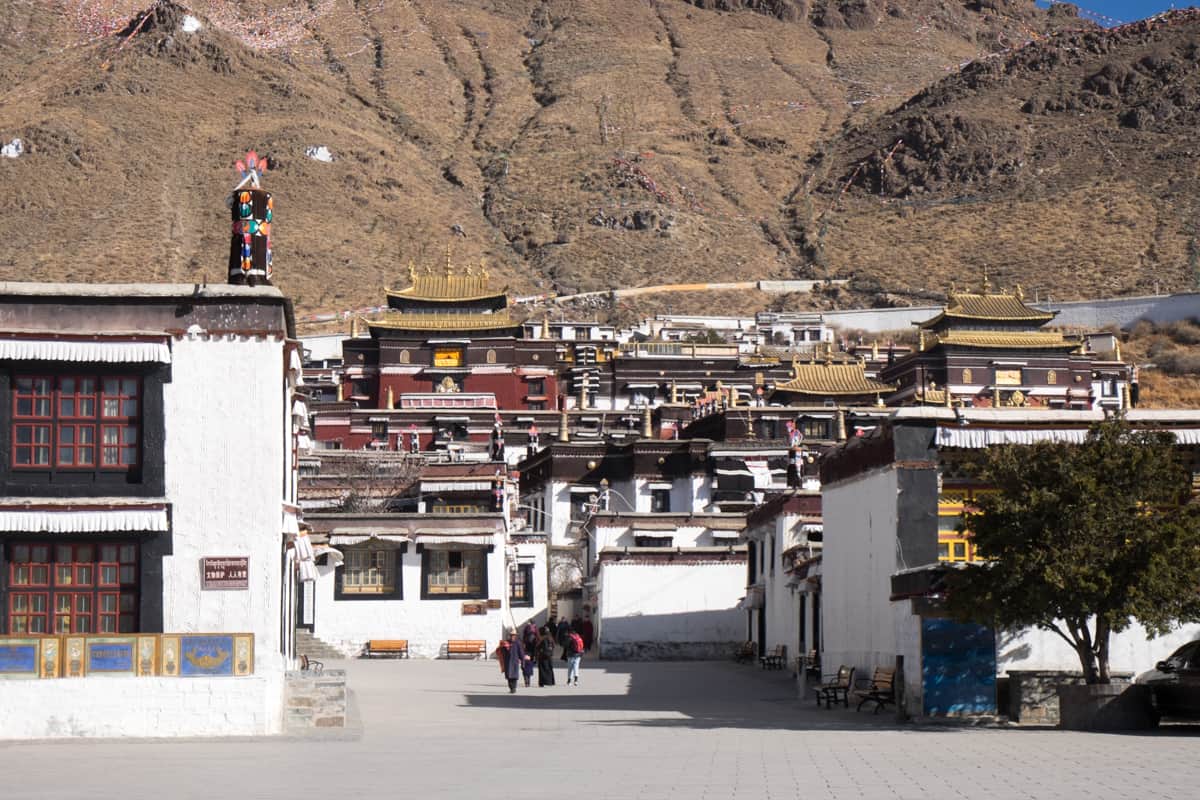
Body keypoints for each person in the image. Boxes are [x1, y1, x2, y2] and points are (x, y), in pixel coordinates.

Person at [521, 623, 539, 688]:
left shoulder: (525, 638)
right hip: (531, 655)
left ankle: (526, 681)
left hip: (525, 654)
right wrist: (535, 657)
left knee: (524, 668)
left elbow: (522, 647)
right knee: (529, 668)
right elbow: (536, 648)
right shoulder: (535, 638)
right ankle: (528, 681)